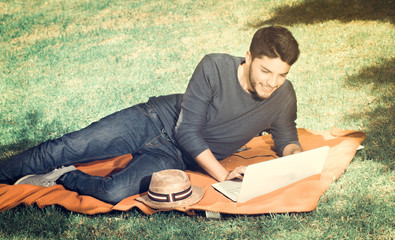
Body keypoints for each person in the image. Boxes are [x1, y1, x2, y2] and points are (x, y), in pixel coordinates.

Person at [0, 26, 302, 205]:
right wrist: (223, 176)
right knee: (68, 146)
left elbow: (286, 135)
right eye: (265, 71)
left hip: (177, 158)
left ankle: (65, 175)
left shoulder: (283, 94)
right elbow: (187, 131)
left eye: (281, 75)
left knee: (115, 192)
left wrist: (295, 157)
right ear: (249, 57)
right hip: (153, 120)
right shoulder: (215, 66)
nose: (272, 82)